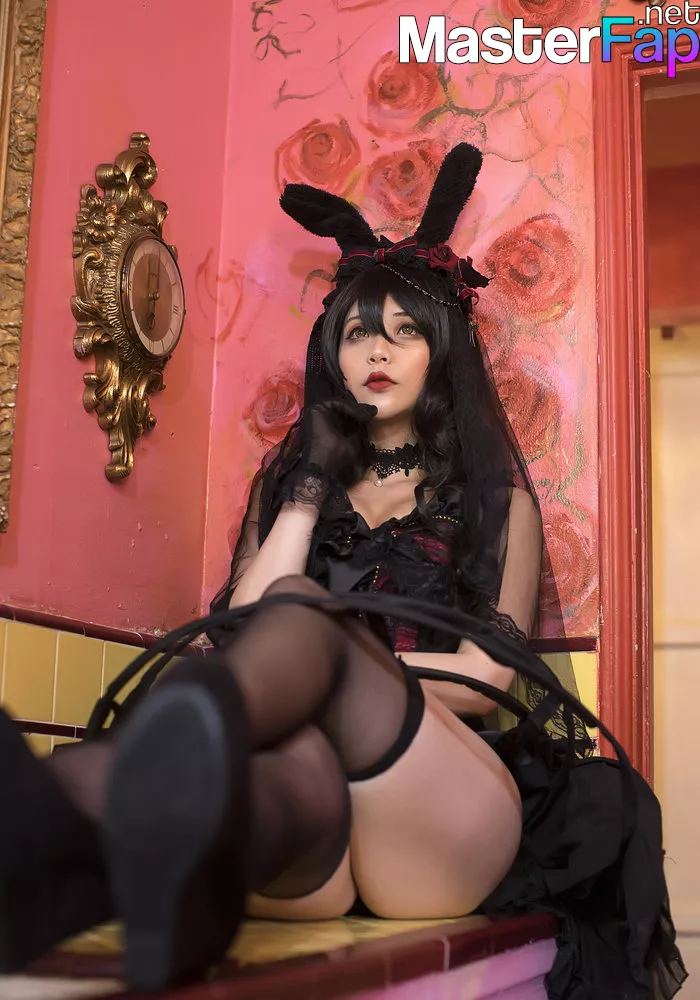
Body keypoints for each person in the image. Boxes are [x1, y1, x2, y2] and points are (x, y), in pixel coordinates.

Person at [0, 144, 687, 1000]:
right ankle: (56, 838)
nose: (377, 351)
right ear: (334, 349)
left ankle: (89, 804)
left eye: (405, 331)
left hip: (443, 812)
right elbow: (238, 631)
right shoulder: (294, 484)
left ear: (441, 352)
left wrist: (341, 667)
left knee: (301, 616)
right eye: (360, 331)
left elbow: (485, 682)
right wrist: (311, 481)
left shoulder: (495, 501)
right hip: (317, 833)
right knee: (270, 750)